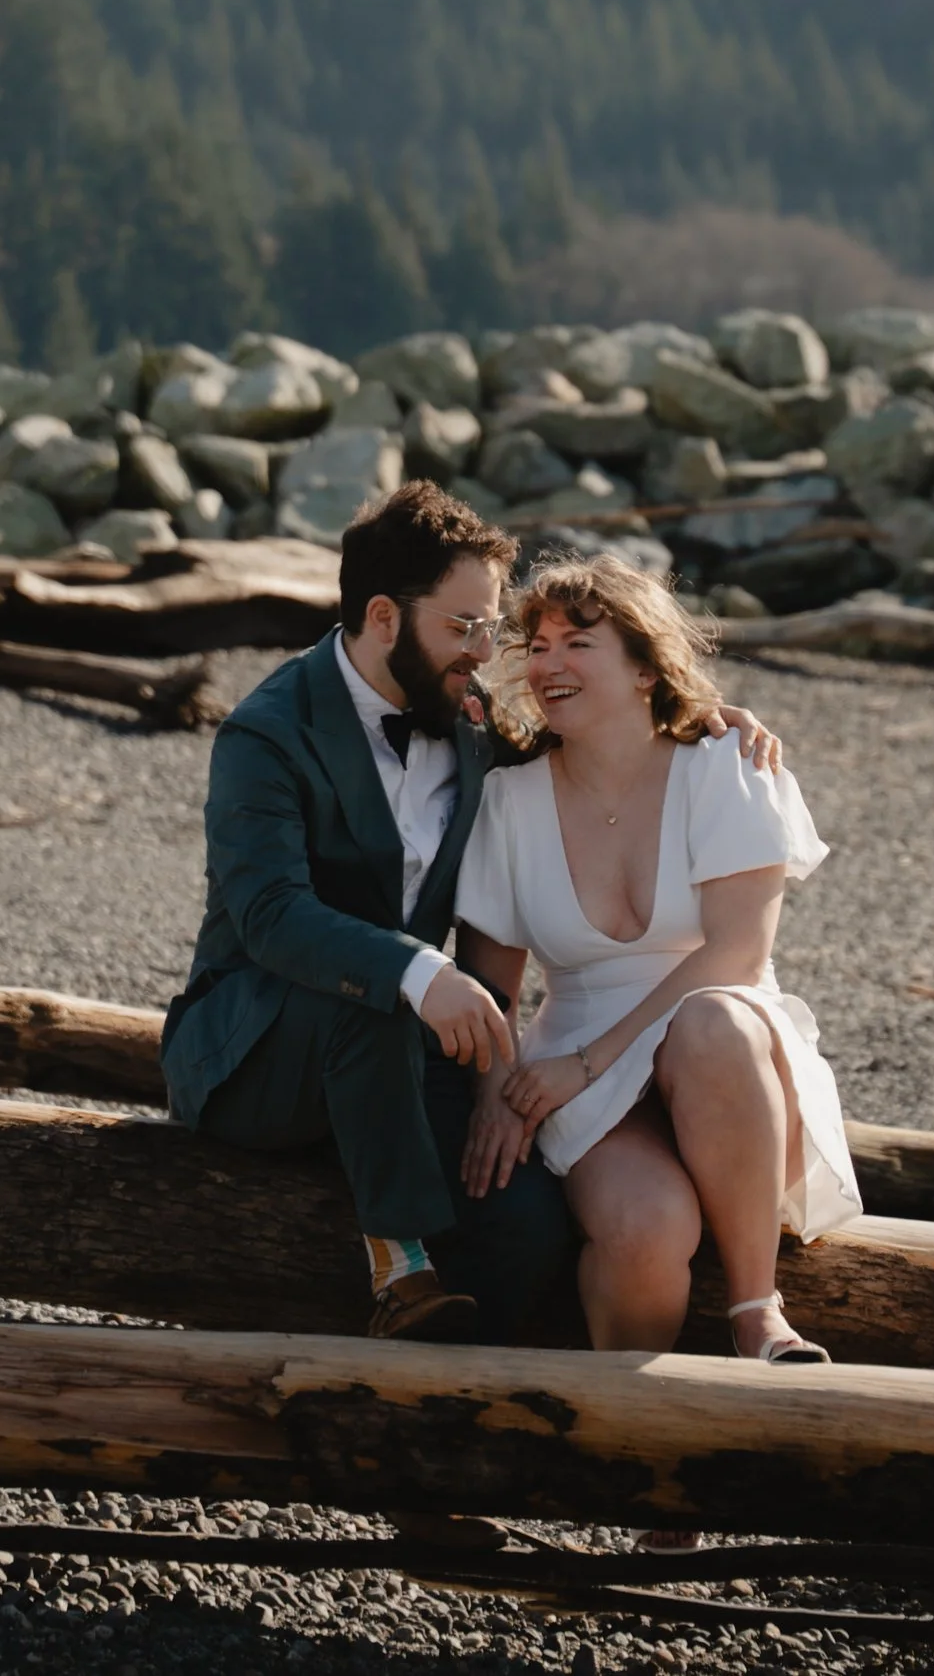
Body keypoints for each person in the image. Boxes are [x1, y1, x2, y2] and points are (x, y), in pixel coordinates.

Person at [163, 481, 782, 1347]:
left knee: (524, 1220)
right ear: (384, 616)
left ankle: (468, 1415)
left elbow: (589, 736)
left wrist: (692, 715)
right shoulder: (266, 735)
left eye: (494, 628)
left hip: (407, 1050)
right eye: (466, 627)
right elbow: (271, 915)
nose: (488, 650)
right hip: (263, 1049)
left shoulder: (466, 717)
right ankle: (399, 1266)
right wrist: (423, 971)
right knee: (371, 998)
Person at [453, 551, 859, 1364]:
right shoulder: (510, 800)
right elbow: (491, 985)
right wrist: (498, 1096)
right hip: (584, 1083)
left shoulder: (728, 767)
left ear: (646, 668)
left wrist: (588, 1062)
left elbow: (737, 953)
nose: (548, 663)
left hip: (729, 1070)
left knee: (712, 1021)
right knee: (644, 1232)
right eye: (537, 644)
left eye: (579, 642)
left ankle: (757, 1310)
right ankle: (628, 1427)